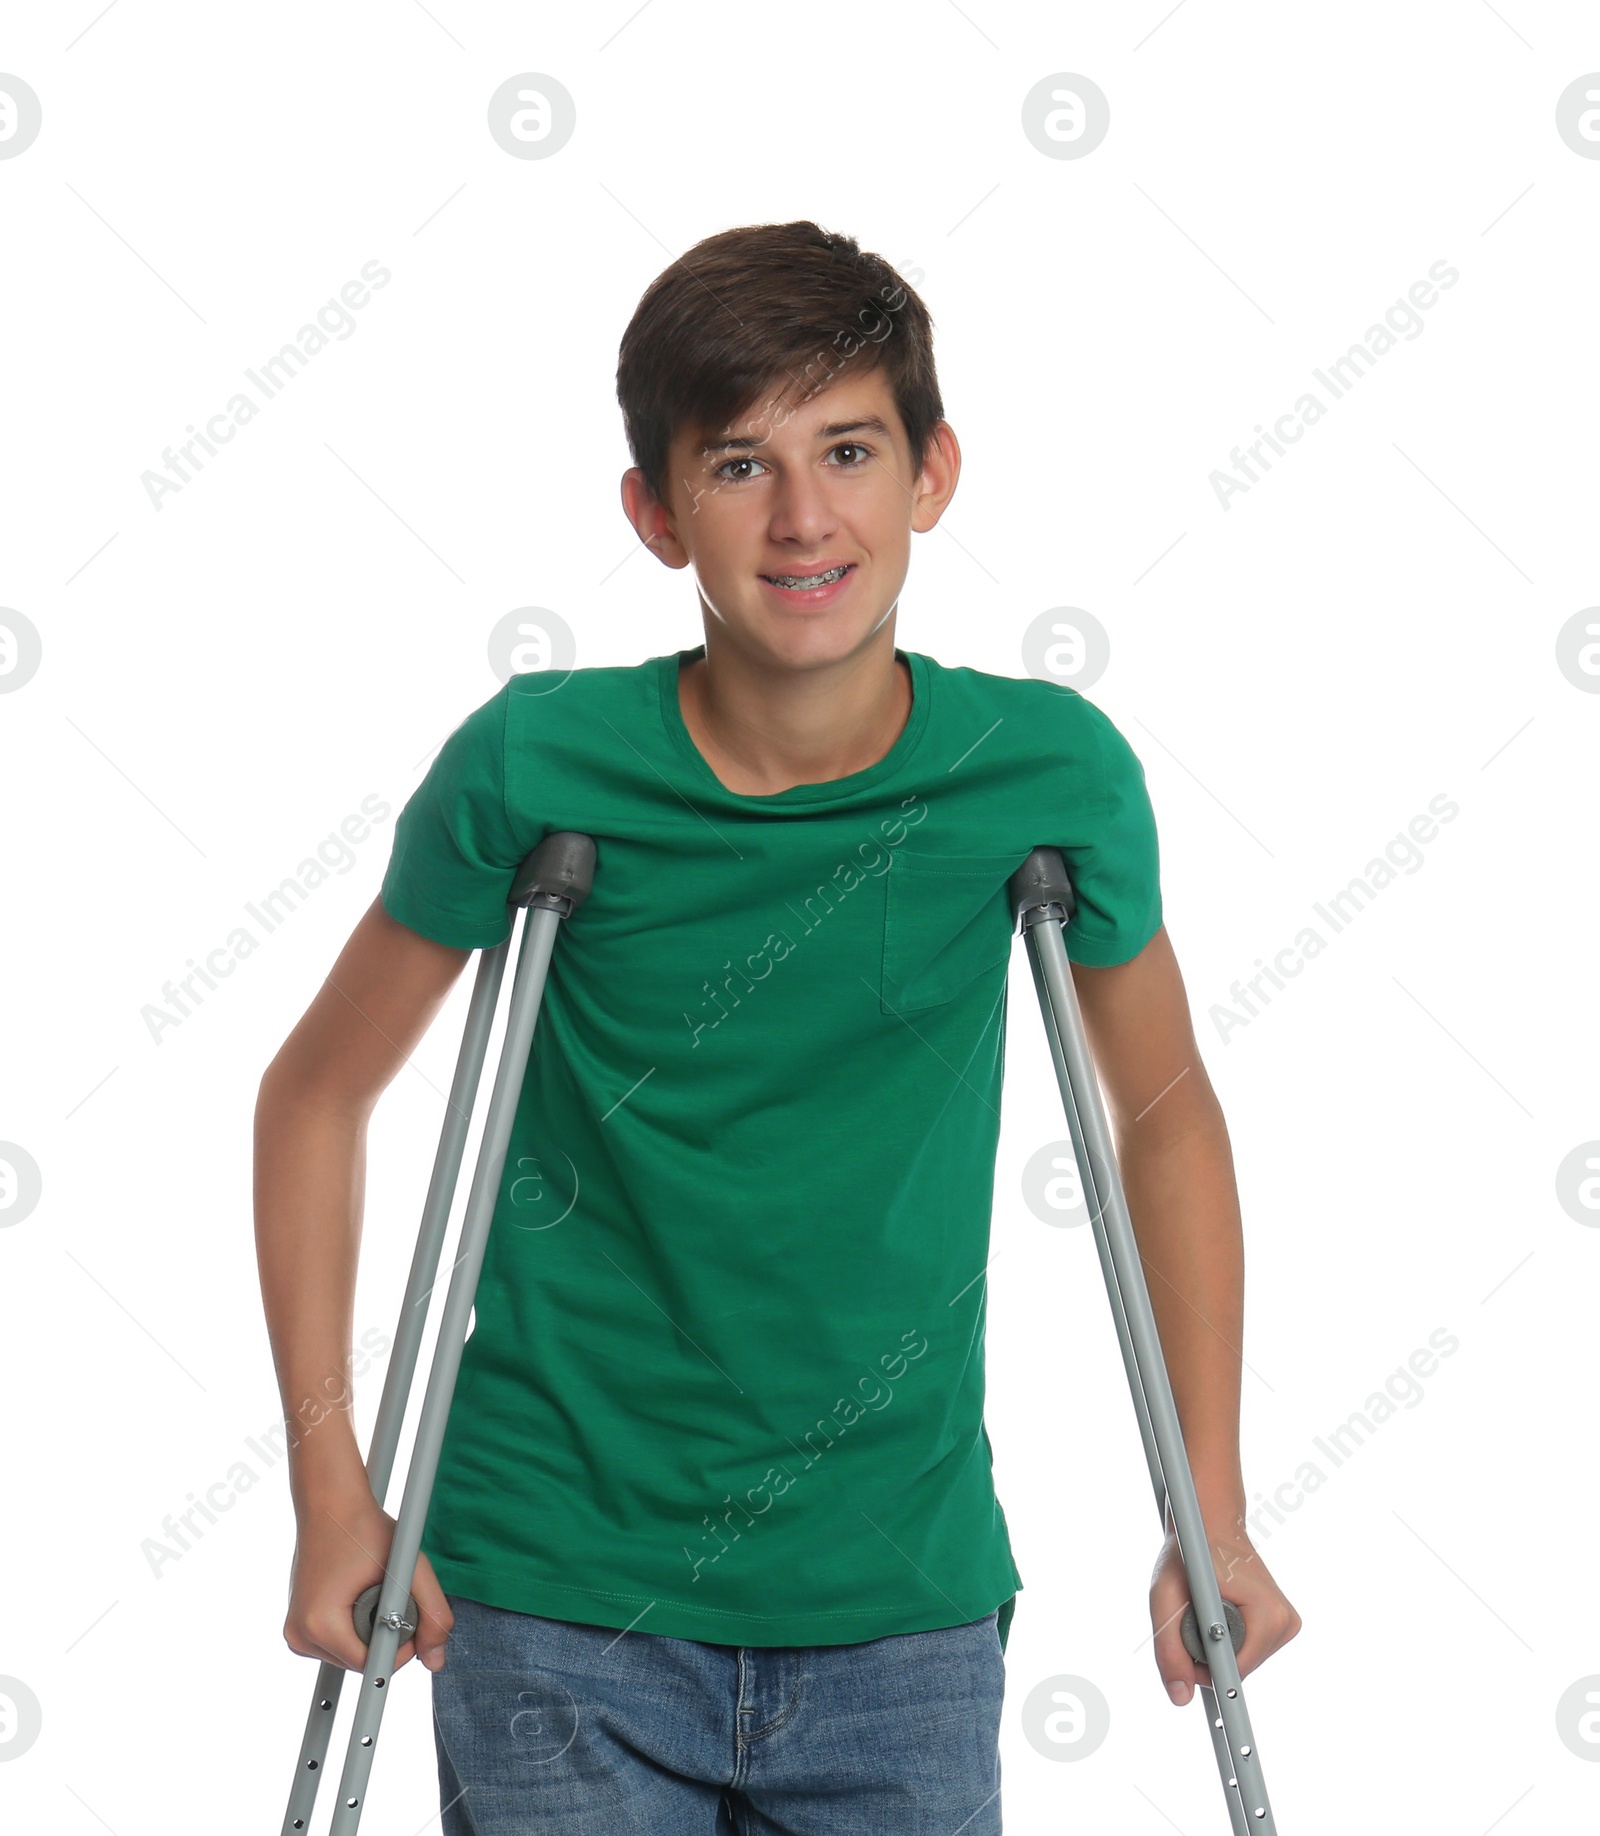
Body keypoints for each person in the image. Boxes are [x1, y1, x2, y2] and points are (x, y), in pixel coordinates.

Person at [254, 219, 1300, 1834]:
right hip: (552, 1594)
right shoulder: (539, 767)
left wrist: (1209, 1514)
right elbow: (316, 1097)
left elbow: (1161, 1114)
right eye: (740, 464)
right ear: (657, 515)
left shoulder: (1044, 777)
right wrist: (336, 1491)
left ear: (932, 473)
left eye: (851, 451)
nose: (804, 516)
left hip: (900, 1601)